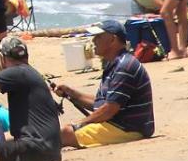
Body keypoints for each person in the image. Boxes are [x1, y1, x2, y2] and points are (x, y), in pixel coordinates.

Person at [49, 19, 155, 148]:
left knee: (65, 133)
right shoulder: (115, 64)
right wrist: (71, 93)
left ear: (113, 40)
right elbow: (102, 105)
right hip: (120, 125)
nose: (94, 41)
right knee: (64, 132)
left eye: (98, 37)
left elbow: (109, 109)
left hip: (128, 129)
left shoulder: (124, 66)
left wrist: (80, 124)